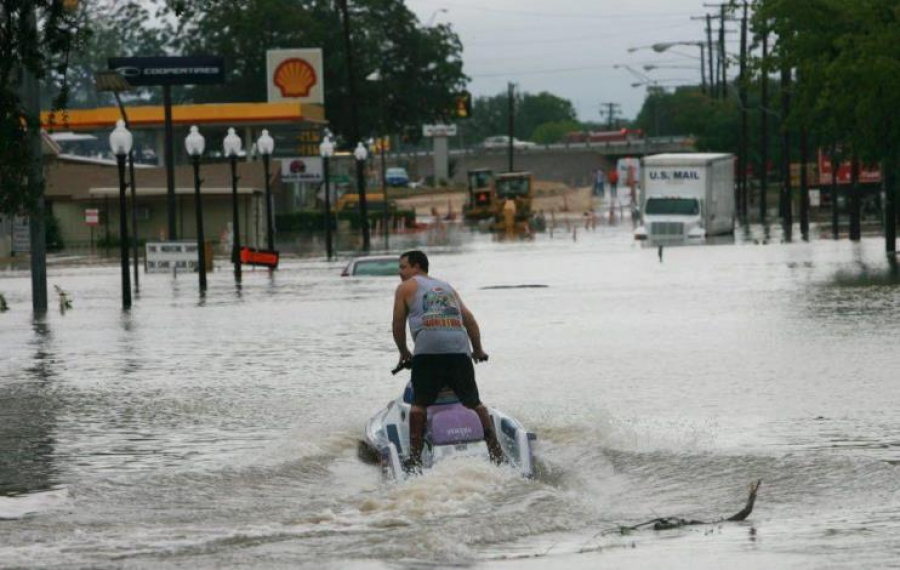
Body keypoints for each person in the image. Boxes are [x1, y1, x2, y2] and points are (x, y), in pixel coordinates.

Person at [392, 250, 504, 472]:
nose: (400, 273)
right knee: (474, 401)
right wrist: (478, 350)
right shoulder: (447, 287)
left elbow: (397, 324)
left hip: (428, 352)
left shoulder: (405, 288)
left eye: (403, 267)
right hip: (459, 350)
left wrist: (404, 351)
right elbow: (469, 320)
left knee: (419, 405)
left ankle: (414, 459)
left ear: (416, 266)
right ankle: (496, 450)